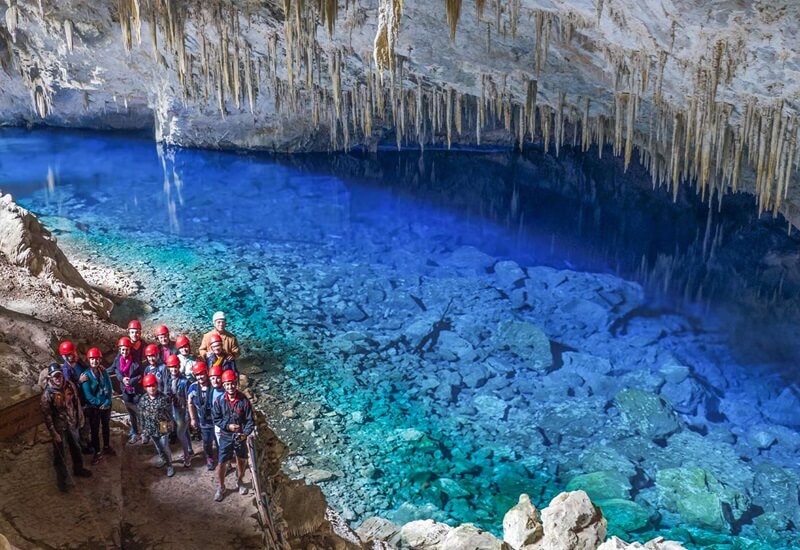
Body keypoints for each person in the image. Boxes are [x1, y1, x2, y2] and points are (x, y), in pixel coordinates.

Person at [40, 363, 92, 492]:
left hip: (71, 422)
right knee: (60, 454)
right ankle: (61, 480)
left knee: (76, 447)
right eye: (55, 376)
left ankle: (78, 468)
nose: (58, 378)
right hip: (59, 427)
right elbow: (47, 417)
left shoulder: (69, 385)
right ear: (51, 378)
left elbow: (76, 402)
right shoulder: (47, 395)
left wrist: (80, 417)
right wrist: (54, 433)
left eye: (59, 375)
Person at [212, 369, 254, 501]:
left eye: (232, 383)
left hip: (240, 437)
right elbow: (216, 419)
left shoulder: (243, 401)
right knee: (222, 462)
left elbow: (250, 420)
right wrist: (228, 426)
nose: (230, 387)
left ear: (236, 383)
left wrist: (245, 434)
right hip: (225, 436)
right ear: (223, 386)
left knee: (241, 460)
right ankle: (221, 486)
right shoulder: (219, 401)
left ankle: (240, 481)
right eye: (227, 384)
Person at [81, 347, 114, 465]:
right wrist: (100, 404)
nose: (95, 361)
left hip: (105, 405)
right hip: (94, 408)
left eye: (97, 359)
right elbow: (88, 395)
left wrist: (107, 402)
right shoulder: (86, 376)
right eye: (92, 359)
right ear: (89, 361)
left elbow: (109, 388)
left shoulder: (103, 372)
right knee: (94, 430)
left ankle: (106, 446)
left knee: (105, 427)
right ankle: (97, 452)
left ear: (100, 360)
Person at [107, 336, 143, 444]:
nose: (124, 351)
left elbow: (141, 374)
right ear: (120, 350)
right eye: (122, 349)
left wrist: (130, 381)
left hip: (136, 390)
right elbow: (113, 369)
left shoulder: (136, 360)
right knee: (131, 413)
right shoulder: (118, 359)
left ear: (130, 349)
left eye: (126, 349)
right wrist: (122, 379)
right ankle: (135, 433)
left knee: (139, 412)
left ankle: (144, 432)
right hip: (126, 391)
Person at [138, 373, 175, 477]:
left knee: (164, 446)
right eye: (149, 386)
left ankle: (169, 465)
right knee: (158, 447)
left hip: (163, 425)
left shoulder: (163, 398)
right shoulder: (143, 400)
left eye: (153, 385)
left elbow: (169, 412)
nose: (152, 388)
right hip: (150, 427)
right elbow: (141, 415)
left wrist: (171, 423)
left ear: (157, 385)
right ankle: (163, 459)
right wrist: (143, 429)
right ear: (145, 388)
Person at [188, 363, 217, 471]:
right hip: (204, 421)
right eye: (197, 375)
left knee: (219, 441)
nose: (200, 377)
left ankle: (224, 460)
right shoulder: (193, 388)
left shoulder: (213, 386)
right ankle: (209, 457)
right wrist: (193, 418)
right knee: (206, 441)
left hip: (216, 421)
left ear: (206, 373)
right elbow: (190, 403)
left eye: (202, 374)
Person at [165, 354, 193, 467]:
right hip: (175, 409)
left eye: (175, 366)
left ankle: (187, 456)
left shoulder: (184, 382)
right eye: (171, 367)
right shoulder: (169, 380)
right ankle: (190, 449)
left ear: (179, 366)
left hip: (183, 410)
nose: (173, 369)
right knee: (185, 432)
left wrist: (188, 414)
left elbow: (188, 399)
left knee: (180, 433)